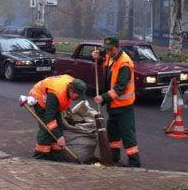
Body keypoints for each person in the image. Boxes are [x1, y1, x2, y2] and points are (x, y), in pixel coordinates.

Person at [92, 36, 140, 167]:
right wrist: (98, 57)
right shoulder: (111, 56)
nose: (108, 52)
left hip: (123, 106)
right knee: (113, 132)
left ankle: (134, 162)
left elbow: (120, 88)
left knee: (127, 134)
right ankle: (114, 157)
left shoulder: (125, 63)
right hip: (113, 105)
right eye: (106, 49)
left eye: (110, 50)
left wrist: (103, 97)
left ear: (117, 47)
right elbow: (106, 66)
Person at [28, 75, 87, 161]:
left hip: (53, 100)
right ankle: (40, 156)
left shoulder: (73, 84)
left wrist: (59, 135)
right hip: (40, 99)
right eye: (77, 96)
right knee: (47, 128)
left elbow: (58, 112)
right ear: (71, 90)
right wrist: (59, 137)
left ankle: (55, 156)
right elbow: (49, 118)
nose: (77, 99)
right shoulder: (55, 94)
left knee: (58, 125)